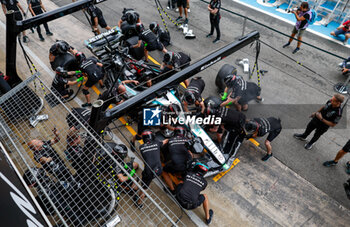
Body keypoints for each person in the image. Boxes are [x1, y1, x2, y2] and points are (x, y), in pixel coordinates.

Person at [133, 130, 168, 208]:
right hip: (158, 169)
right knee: (147, 183)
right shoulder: (157, 143)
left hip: (149, 171)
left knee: (144, 187)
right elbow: (165, 141)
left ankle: (139, 203)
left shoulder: (141, 147)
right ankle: (142, 196)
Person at [162, 126, 192, 194]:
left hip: (177, 165)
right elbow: (190, 152)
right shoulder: (187, 140)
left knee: (163, 171)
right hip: (188, 165)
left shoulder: (171, 140)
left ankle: (172, 190)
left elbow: (163, 149)